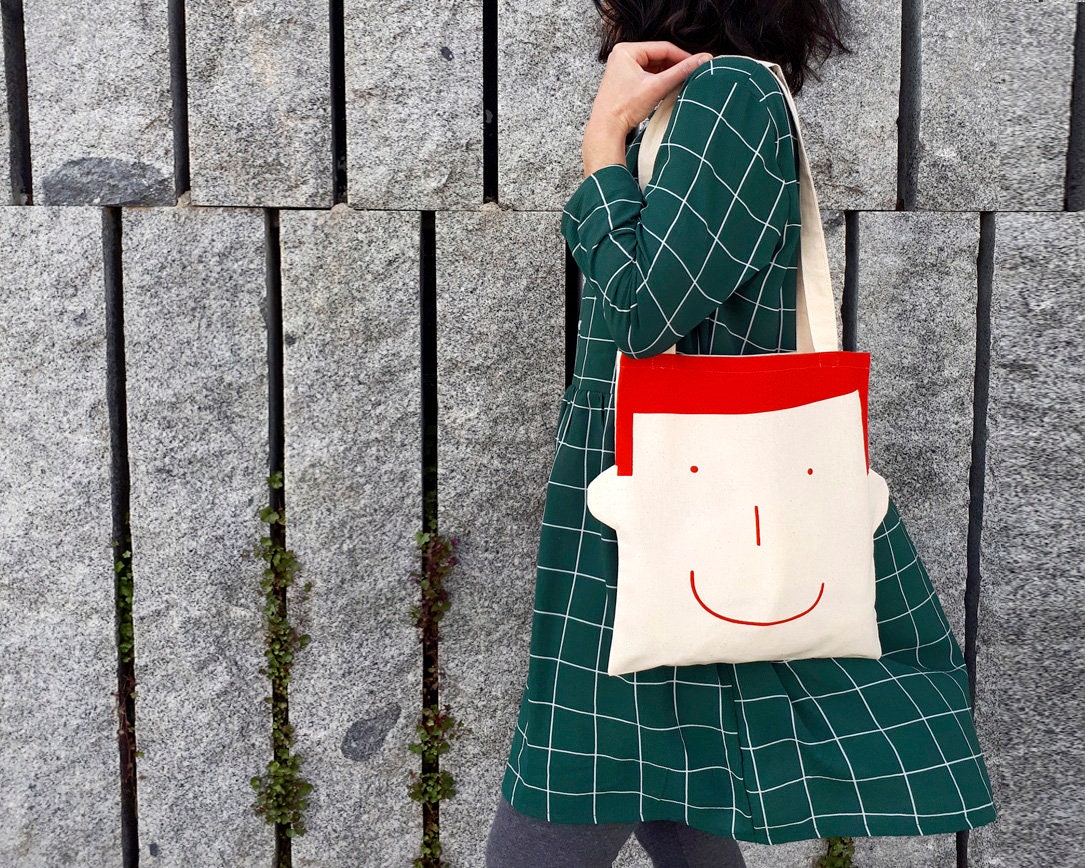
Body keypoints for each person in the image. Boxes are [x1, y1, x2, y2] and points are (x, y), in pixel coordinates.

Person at [486, 2, 998, 865]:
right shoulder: (712, 102)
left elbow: (645, 313)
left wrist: (602, 150)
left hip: (658, 527)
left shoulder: (726, 95)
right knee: (670, 794)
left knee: (566, 804)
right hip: (666, 518)